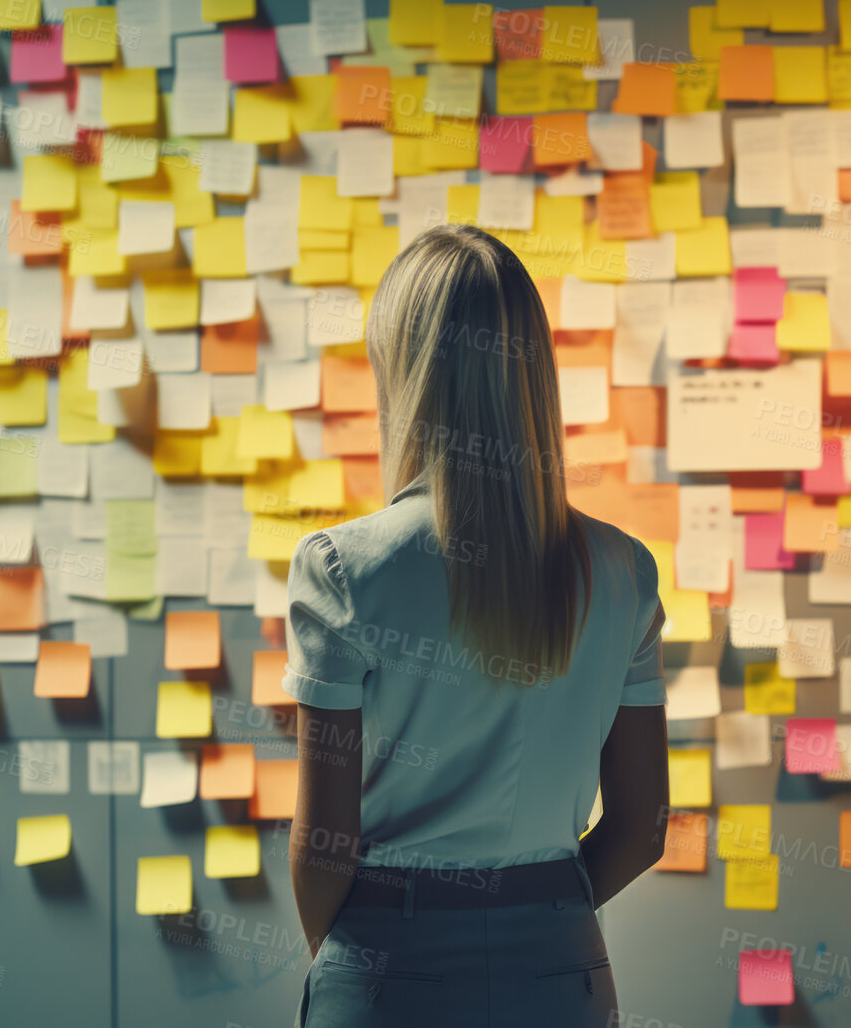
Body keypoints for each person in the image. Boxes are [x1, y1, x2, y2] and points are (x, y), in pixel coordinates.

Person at [282, 224, 670, 1027]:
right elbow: (640, 829)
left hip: (388, 969)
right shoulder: (624, 570)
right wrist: (536, 917)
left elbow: (323, 847)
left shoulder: (342, 569)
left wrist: (358, 958)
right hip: (561, 970)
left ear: (405, 370)